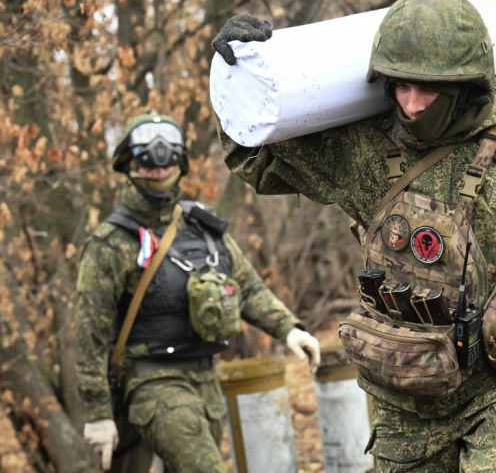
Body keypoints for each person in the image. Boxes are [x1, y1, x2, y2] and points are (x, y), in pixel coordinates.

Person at [211, 0, 496, 472]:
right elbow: (256, 161)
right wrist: (241, 75)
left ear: (465, 88)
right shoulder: (366, 151)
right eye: (400, 86)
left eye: (428, 90)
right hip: (404, 402)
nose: (412, 105)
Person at [75, 114, 321, 473]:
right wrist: (98, 412)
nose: (159, 169)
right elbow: (90, 335)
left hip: (206, 380)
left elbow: (247, 287)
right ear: (128, 164)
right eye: (148, 162)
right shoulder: (111, 244)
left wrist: (289, 329)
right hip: (152, 381)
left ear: (181, 164)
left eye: (167, 161)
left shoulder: (202, 228)